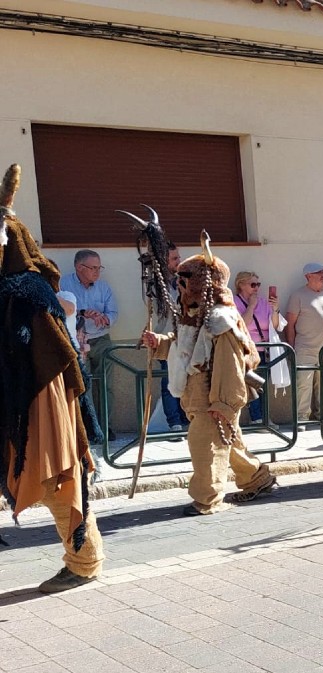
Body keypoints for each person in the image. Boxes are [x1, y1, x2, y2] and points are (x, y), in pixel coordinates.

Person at [0, 163, 105, 592]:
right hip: (33, 394)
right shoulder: (26, 286)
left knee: (52, 478)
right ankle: (84, 559)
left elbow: (26, 347)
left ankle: (84, 561)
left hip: (40, 397)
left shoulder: (22, 291)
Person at [141, 242, 278, 516]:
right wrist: (159, 342)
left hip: (213, 395)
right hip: (197, 392)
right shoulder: (193, 315)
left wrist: (223, 403)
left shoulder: (220, 319)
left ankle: (207, 498)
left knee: (205, 445)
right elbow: (185, 346)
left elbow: (229, 366)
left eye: (185, 282)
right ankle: (257, 479)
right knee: (228, 441)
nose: (180, 288)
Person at [59, 249, 118, 440]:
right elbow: (59, 311)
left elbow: (113, 312)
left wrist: (105, 319)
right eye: (93, 268)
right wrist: (81, 313)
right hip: (76, 340)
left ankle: (105, 427)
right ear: (79, 267)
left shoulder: (104, 287)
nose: (97, 272)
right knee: (83, 386)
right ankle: (86, 429)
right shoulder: (63, 284)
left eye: (99, 268)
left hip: (101, 339)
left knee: (106, 385)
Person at [285, 262, 323, 426]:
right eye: (318, 272)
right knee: (304, 384)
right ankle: (302, 418)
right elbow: (290, 323)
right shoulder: (298, 295)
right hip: (305, 348)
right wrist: (291, 348)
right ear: (308, 276)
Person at [234, 271, 285, 425]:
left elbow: (275, 326)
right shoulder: (234, 302)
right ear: (241, 285)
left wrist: (275, 309)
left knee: (263, 385)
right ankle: (257, 419)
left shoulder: (264, 302)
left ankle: (264, 418)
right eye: (252, 284)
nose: (256, 288)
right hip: (247, 351)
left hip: (265, 351)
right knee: (252, 386)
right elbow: (242, 324)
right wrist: (251, 305)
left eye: (258, 284)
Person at [153, 243, 187, 432]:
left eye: (178, 257)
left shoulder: (182, 280)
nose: (179, 261)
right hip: (166, 337)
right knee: (168, 380)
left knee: (185, 380)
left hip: (185, 337)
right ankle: (174, 422)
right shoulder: (156, 285)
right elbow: (165, 310)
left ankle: (185, 418)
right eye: (174, 258)